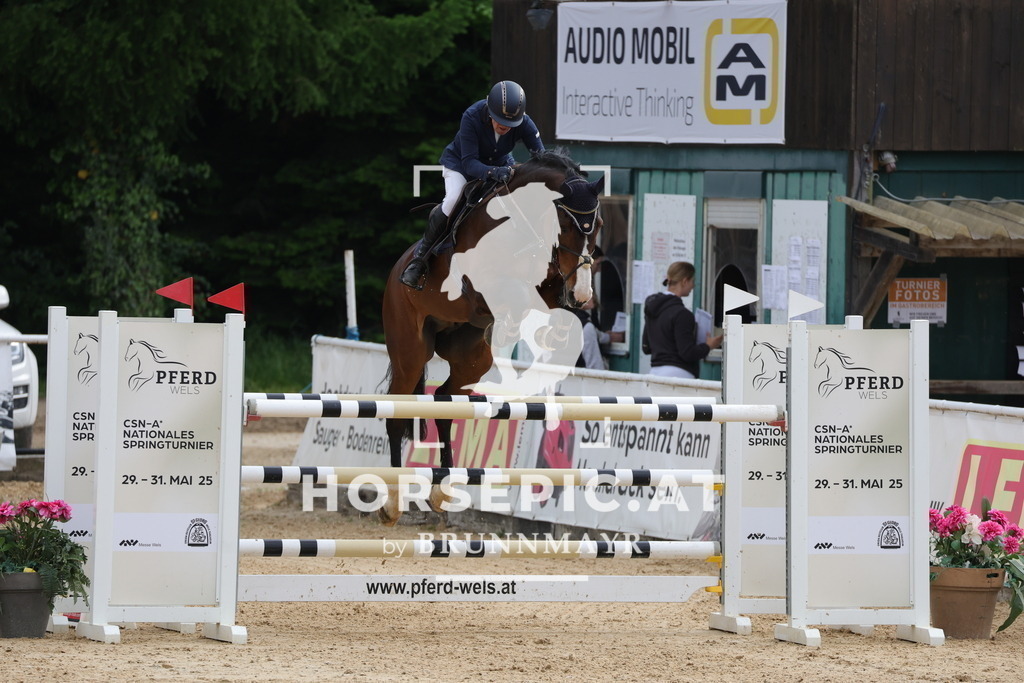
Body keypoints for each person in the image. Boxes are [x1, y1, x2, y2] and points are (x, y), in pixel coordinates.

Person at [400, 80, 546, 289]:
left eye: (511, 124)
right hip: (460, 166)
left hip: (500, 165)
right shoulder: (471, 116)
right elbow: (470, 163)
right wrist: (494, 172)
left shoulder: (525, 122)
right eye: (499, 121)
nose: (505, 127)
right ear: (490, 111)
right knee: (452, 200)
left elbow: (541, 157)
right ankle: (420, 259)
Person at [642, 261, 723, 379]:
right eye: (692, 281)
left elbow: (646, 347)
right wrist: (708, 346)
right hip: (679, 374)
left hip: (655, 373)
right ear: (685, 281)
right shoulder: (682, 314)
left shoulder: (652, 308)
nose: (693, 286)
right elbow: (687, 353)